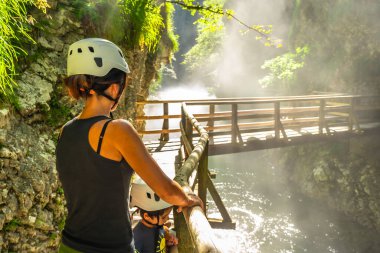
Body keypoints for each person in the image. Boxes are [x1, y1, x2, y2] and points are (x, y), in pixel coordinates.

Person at [55, 38, 203, 253]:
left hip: (68, 246)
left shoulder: (65, 130)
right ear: (115, 87)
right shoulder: (117, 130)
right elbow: (166, 190)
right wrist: (187, 199)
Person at [130, 177, 178, 253]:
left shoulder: (158, 226)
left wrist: (166, 244)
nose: (168, 218)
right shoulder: (137, 236)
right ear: (147, 216)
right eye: (164, 217)